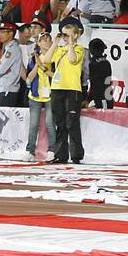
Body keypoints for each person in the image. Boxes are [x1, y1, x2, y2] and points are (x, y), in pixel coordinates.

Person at [46, 17, 86, 164]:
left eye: (68, 34)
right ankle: (60, 154)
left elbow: (73, 59)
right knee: (60, 123)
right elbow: (47, 59)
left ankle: (76, 155)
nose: (65, 37)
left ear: (75, 35)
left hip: (72, 89)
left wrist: (70, 44)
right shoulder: (59, 49)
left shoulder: (79, 49)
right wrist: (55, 43)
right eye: (63, 34)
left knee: (72, 123)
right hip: (57, 88)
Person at [24, 30, 55, 157]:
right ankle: (30, 150)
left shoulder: (55, 58)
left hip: (50, 95)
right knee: (33, 124)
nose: (47, 42)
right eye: (44, 39)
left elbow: (57, 77)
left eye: (49, 39)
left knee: (50, 124)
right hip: (35, 95)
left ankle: (52, 149)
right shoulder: (33, 58)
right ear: (39, 42)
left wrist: (44, 68)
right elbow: (28, 79)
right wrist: (37, 65)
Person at [0, 22, 25, 107]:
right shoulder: (8, 48)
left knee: (6, 118)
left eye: (3, 32)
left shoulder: (12, 49)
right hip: (6, 88)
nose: (0, 34)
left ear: (11, 33)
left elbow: (0, 70)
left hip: (8, 89)